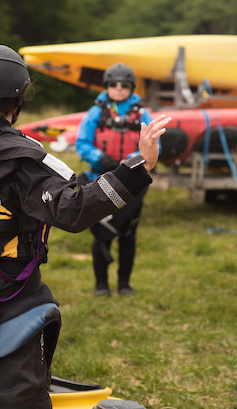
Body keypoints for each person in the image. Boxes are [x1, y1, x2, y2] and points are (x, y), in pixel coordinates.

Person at [0, 43, 170, 408]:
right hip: (12, 299)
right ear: (18, 99)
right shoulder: (18, 158)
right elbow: (73, 211)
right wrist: (140, 167)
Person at [75, 64, 156, 297]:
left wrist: (128, 162)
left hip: (132, 180)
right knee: (102, 231)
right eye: (113, 85)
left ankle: (124, 284)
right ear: (107, 87)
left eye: (124, 85)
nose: (118, 89)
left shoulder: (142, 114)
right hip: (100, 177)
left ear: (131, 88)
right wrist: (100, 157)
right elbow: (82, 143)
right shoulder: (96, 113)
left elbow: (149, 143)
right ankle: (101, 285)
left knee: (128, 233)